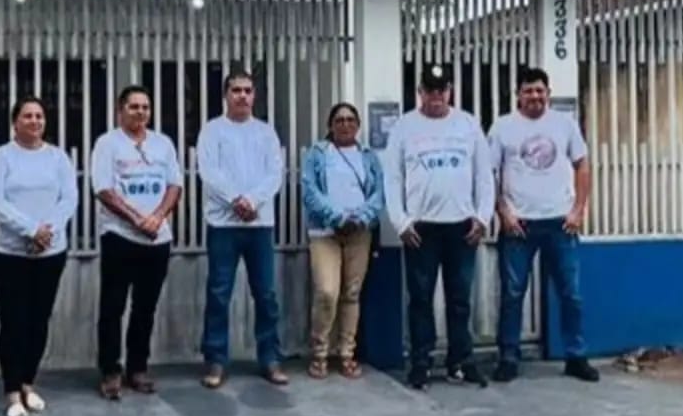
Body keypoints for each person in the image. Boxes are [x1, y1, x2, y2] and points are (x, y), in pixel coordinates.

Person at [383, 63, 495, 390]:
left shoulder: (468, 124)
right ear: (420, 93)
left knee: (460, 298)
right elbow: (393, 178)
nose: (435, 96)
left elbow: (483, 176)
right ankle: (421, 362)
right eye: (429, 90)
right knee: (420, 298)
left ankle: (460, 361)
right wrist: (401, 221)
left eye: (441, 89)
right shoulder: (404, 127)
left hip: (462, 227)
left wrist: (483, 217)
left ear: (449, 91)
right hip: (421, 229)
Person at [487, 66, 599, 383]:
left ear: (548, 93)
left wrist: (578, 209)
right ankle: (508, 357)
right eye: (528, 90)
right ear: (518, 95)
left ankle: (576, 356)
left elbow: (582, 165)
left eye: (540, 90)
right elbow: (489, 174)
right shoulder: (503, 127)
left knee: (571, 294)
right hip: (518, 225)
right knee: (512, 294)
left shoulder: (564, 124)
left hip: (559, 224)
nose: (534, 96)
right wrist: (503, 212)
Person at [0, 96, 79, 416]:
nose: (35, 121)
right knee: (14, 322)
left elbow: (69, 198)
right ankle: (11, 392)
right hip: (11, 253)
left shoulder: (58, 158)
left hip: (50, 253)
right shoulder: (2, 158)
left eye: (39, 115)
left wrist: (47, 232)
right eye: (27, 116)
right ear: (15, 122)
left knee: (39, 320)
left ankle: (28, 383)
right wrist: (30, 230)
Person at [89, 85, 184, 400]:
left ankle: (137, 368)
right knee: (113, 306)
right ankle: (110, 371)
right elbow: (103, 189)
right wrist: (136, 219)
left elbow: (174, 185)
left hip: (157, 237)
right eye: (134, 107)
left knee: (146, 306)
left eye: (145, 107)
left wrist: (157, 217)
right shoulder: (108, 144)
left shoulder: (163, 144)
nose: (140, 112)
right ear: (121, 110)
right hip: (120, 235)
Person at [196, 70, 288, 388]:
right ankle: (216, 360)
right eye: (236, 90)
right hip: (223, 223)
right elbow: (208, 171)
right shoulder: (212, 131)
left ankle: (270, 358)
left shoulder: (266, 133)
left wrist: (252, 201)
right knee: (219, 294)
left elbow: (275, 174)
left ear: (255, 95)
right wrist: (236, 200)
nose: (242, 96)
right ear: (226, 95)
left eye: (248, 90)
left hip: (259, 224)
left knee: (266, 294)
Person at [300, 102, 385, 379]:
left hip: (360, 232)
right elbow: (310, 191)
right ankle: (320, 352)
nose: (345, 124)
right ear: (330, 125)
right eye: (339, 120)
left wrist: (360, 218)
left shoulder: (369, 157)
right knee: (327, 292)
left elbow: (378, 194)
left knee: (351, 293)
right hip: (325, 233)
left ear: (358, 126)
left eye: (350, 120)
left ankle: (347, 352)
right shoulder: (317, 154)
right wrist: (336, 218)